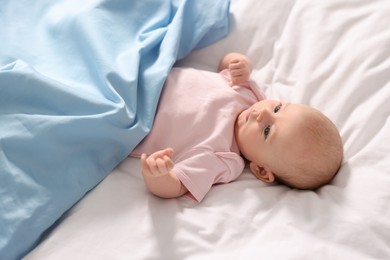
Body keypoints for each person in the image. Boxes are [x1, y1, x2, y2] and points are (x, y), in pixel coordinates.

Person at [130, 53, 343, 202]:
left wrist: (158, 176)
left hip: (131, 108)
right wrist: (239, 63)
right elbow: (225, 65)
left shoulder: (223, 158)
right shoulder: (252, 95)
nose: (263, 113)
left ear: (260, 170)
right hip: (147, 70)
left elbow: (176, 185)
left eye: (267, 131)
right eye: (278, 107)